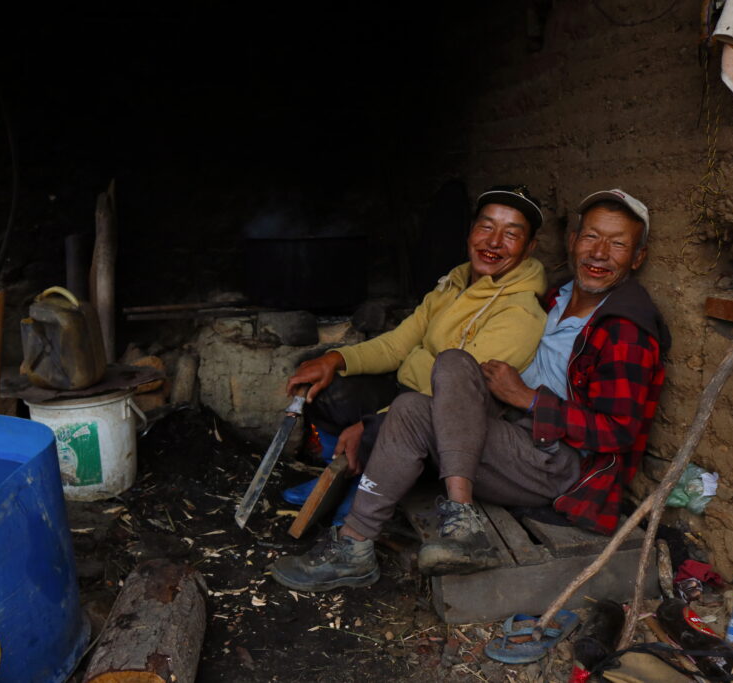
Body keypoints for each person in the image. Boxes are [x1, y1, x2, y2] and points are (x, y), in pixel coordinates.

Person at [271, 188, 671, 592]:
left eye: (617, 244)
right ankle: (357, 547)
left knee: (437, 381)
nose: (599, 253)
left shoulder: (624, 331)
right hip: (513, 435)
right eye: (591, 237)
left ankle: (462, 525)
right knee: (419, 397)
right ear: (572, 241)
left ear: (637, 258)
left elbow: (620, 431)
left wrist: (529, 399)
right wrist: (339, 361)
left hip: (558, 466)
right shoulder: (559, 296)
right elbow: (405, 347)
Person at [282, 185, 549, 523]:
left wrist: (369, 423)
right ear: (471, 231)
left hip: (446, 420)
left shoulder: (521, 313)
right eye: (486, 226)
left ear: (530, 247)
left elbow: (454, 398)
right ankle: (338, 475)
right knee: (330, 387)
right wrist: (334, 359)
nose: (493, 241)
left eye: (511, 234)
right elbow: (397, 344)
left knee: (381, 427)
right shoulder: (454, 283)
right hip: (405, 391)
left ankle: (363, 487)